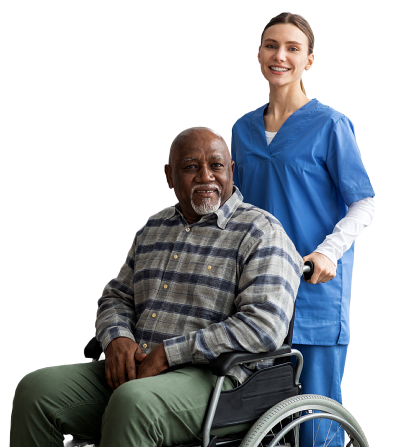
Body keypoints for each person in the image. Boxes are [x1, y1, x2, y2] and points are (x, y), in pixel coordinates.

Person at [10, 126, 305, 447]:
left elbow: (263, 327)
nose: (205, 176)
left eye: (216, 165)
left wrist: (170, 353)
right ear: (169, 176)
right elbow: (116, 297)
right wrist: (116, 338)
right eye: (191, 167)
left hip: (219, 380)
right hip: (139, 366)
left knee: (133, 402)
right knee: (36, 390)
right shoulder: (154, 228)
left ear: (231, 170)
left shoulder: (261, 231)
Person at [231, 12, 375, 447]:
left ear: (309, 60)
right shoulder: (241, 129)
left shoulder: (331, 125)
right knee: (246, 414)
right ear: (259, 54)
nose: (281, 56)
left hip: (314, 287)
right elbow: (232, 205)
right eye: (272, 45)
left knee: (314, 422)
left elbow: (364, 203)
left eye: (293, 48)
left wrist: (329, 251)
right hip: (255, 288)